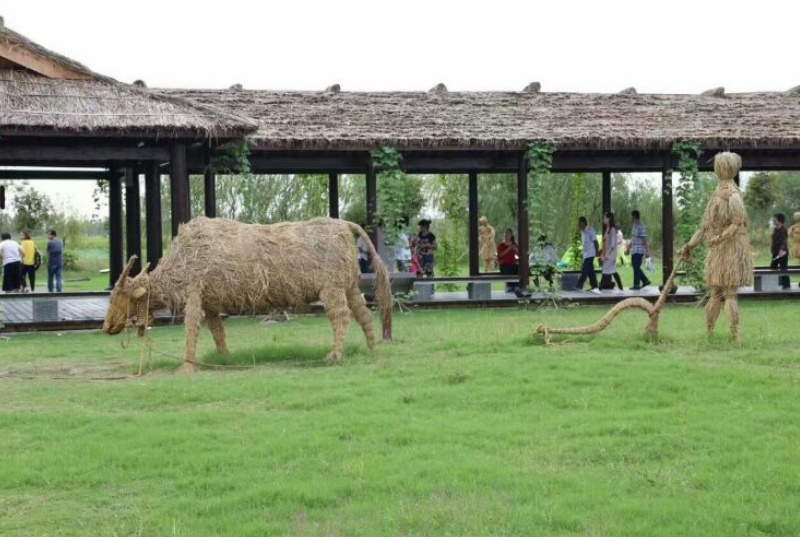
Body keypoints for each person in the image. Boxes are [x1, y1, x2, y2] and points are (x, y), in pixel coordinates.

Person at [680, 152, 753, 341]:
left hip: (723, 248)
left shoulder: (719, 196)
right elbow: (727, 225)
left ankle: (715, 332)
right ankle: (730, 333)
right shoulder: (732, 195)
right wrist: (689, 245)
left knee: (716, 294)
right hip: (726, 249)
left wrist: (699, 242)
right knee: (728, 294)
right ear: (734, 168)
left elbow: (727, 225)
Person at [575, 216, 601, 294]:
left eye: (579, 223)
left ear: (583, 223)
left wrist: (597, 251)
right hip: (586, 254)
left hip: (591, 253)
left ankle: (579, 286)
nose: (578, 225)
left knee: (585, 270)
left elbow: (595, 242)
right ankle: (595, 286)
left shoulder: (590, 230)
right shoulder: (583, 232)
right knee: (590, 271)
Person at [627, 209, 651, 290]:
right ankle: (645, 280)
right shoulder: (634, 226)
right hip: (634, 250)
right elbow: (633, 238)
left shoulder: (641, 226)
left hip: (640, 250)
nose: (630, 218)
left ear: (634, 216)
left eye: (631, 216)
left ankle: (636, 285)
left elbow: (644, 239)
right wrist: (628, 247)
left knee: (636, 266)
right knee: (635, 266)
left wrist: (647, 250)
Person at [600, 212, 624, 291]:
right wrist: (602, 253)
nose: (603, 219)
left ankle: (599, 288)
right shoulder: (607, 229)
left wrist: (607, 254)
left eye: (605, 218)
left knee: (605, 270)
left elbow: (613, 244)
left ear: (609, 219)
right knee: (613, 270)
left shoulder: (612, 229)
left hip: (610, 254)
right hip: (606, 253)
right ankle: (620, 287)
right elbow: (604, 243)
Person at [771, 213, 790, 290]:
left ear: (779, 221)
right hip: (775, 252)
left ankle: (786, 285)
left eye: (775, 219)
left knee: (783, 268)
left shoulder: (783, 230)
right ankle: (774, 283)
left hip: (782, 253)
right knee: (773, 267)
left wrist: (782, 249)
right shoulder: (775, 229)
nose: (773, 220)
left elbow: (784, 241)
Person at [497, 228, 519, 293]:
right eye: (505, 233)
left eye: (508, 233)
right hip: (504, 264)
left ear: (511, 235)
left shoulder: (514, 244)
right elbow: (500, 255)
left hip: (512, 263)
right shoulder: (501, 245)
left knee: (516, 268)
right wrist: (509, 248)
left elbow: (519, 254)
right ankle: (510, 286)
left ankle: (516, 286)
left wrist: (515, 249)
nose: (506, 235)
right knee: (507, 269)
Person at [46, 228, 64, 293]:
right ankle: (59, 289)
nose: (48, 236)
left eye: (49, 234)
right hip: (59, 262)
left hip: (52, 262)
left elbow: (48, 252)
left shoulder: (50, 243)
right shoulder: (61, 241)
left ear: (53, 235)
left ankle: (51, 290)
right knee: (59, 277)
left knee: (50, 277)